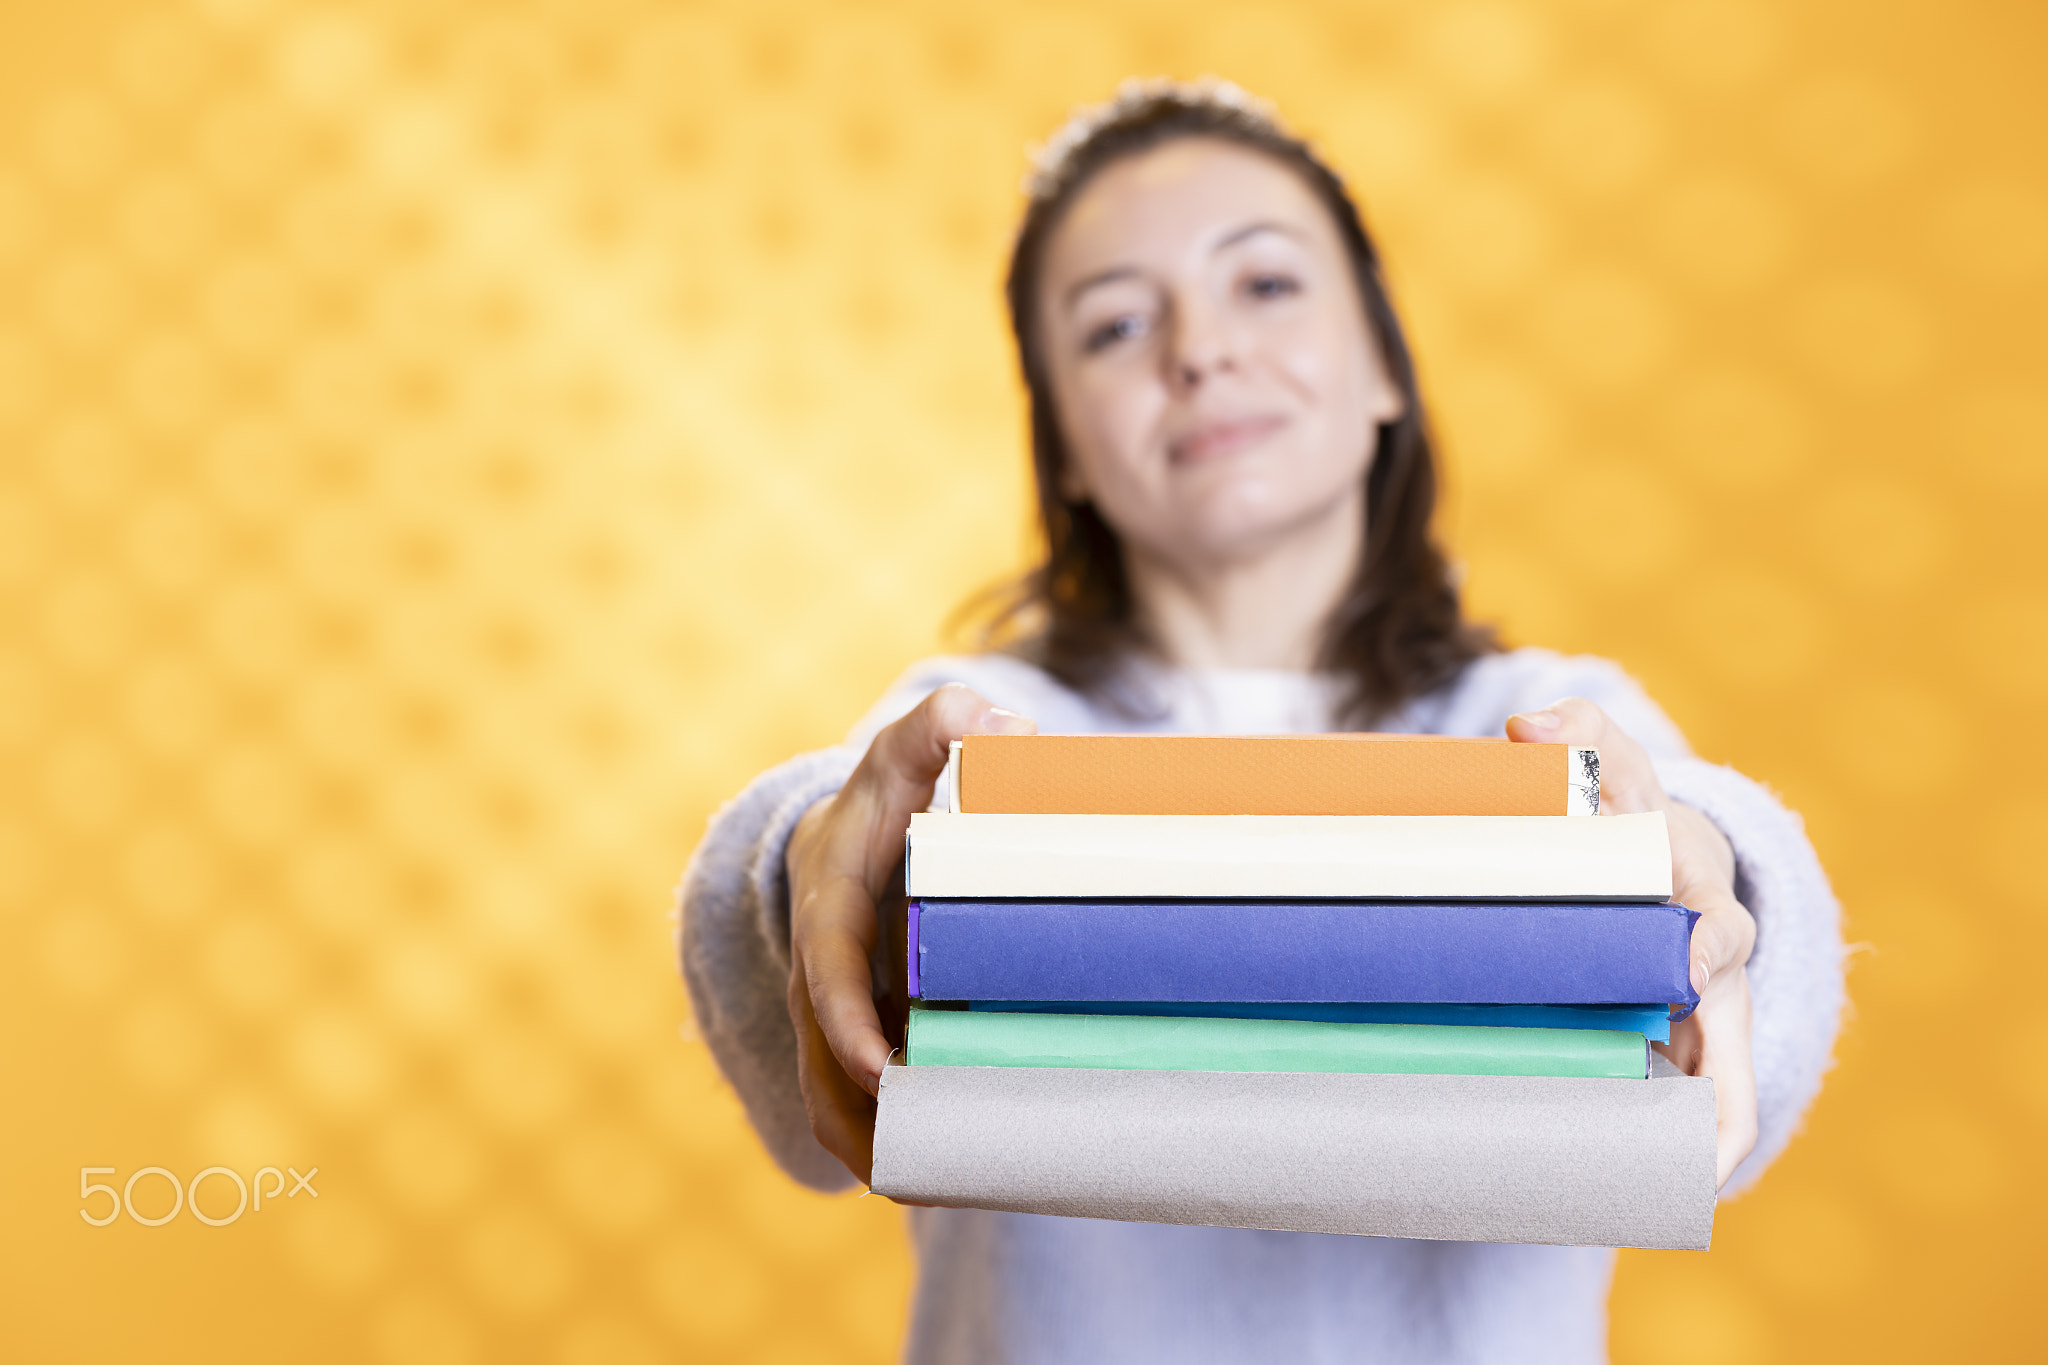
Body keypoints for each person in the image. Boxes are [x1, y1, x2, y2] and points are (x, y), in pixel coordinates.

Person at [680, 80, 1843, 1364]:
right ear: (1060, 444)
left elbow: (1717, 926)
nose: (1199, 349)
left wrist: (1715, 885)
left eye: (1267, 285)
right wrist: (800, 858)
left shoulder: (1538, 728)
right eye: (1115, 324)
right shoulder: (982, 740)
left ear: (1384, 369)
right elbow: (817, 1077)